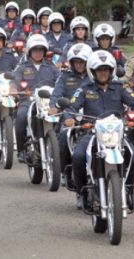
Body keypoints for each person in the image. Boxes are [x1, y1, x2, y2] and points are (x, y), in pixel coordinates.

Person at [63, 50, 134, 210]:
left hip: (116, 134)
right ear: (93, 71)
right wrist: (69, 117)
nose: (103, 73)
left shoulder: (120, 87)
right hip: (92, 132)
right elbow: (71, 106)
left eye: (106, 69)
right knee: (78, 155)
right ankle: (82, 194)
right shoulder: (84, 88)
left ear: (111, 71)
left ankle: (129, 191)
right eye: (99, 70)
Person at [49, 43, 92, 182]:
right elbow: (56, 94)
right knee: (63, 135)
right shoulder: (64, 76)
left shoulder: (95, 76)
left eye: (82, 62)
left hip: (91, 115)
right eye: (76, 62)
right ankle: (64, 170)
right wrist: (53, 106)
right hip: (69, 114)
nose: (79, 65)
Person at [14, 34, 60, 162]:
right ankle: (21, 150)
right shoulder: (22, 67)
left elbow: (60, 82)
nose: (38, 53)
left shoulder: (52, 67)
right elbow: (14, 80)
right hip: (29, 102)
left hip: (48, 103)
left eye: (41, 50)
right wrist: (15, 89)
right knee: (21, 117)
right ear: (30, 51)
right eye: (35, 50)